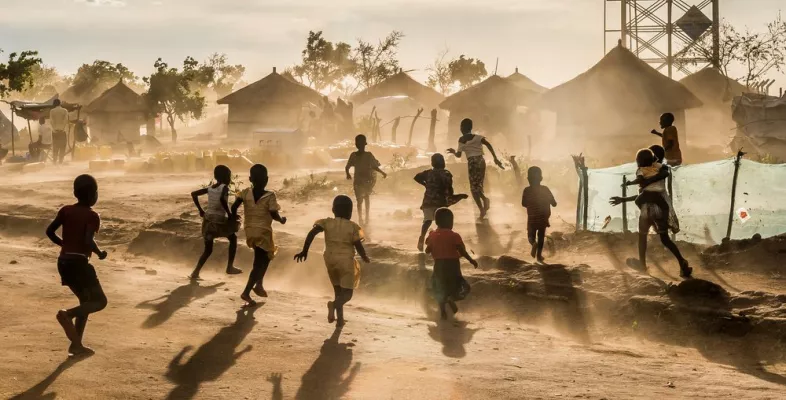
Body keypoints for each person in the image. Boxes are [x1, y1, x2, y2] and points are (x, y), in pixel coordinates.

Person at [45, 174, 108, 356]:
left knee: (85, 302)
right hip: (80, 264)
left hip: (63, 262)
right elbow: (88, 240)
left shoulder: (66, 210)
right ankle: (68, 314)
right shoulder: (92, 215)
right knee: (100, 302)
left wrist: (64, 245)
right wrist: (99, 253)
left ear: (75, 193)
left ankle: (76, 346)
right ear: (93, 195)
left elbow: (50, 231)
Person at [611, 149, 692, 278]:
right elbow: (647, 192)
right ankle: (682, 262)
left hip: (646, 210)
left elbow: (645, 193)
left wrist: (625, 198)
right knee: (665, 239)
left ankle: (643, 265)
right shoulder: (659, 172)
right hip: (659, 209)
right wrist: (623, 199)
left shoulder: (650, 172)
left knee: (642, 237)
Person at [294, 195, 370, 327]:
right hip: (345, 261)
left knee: (338, 291)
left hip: (329, 259)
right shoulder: (352, 227)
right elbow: (357, 244)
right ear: (350, 212)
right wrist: (364, 256)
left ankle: (339, 320)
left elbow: (312, 233)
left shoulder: (326, 222)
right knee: (347, 294)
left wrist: (304, 250)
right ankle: (333, 305)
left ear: (333, 210)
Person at [231, 164, 287, 306]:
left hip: (249, 230)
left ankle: (259, 284)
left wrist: (233, 217)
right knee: (260, 262)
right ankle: (247, 291)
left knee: (265, 257)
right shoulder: (270, 195)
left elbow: (234, 206)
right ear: (267, 179)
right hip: (263, 231)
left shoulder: (245, 193)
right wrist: (281, 220)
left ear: (250, 179)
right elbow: (274, 213)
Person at [190, 165, 242, 280]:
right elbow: (223, 200)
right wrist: (230, 214)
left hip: (208, 221)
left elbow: (193, 194)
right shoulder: (224, 188)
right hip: (219, 222)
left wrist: (200, 210)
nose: (230, 178)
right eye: (229, 176)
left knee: (208, 250)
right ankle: (230, 267)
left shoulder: (210, 188)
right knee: (233, 239)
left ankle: (195, 272)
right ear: (226, 177)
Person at [425, 208, 478, 321]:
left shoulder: (433, 235)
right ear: (450, 222)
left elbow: (427, 251)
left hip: (439, 265)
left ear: (436, 221)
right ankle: (450, 298)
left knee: (440, 288)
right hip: (453, 265)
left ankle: (443, 312)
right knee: (461, 287)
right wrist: (471, 260)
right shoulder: (454, 235)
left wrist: (430, 238)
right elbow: (462, 251)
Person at [447, 118, 505, 219]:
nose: (460, 129)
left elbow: (458, 155)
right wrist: (495, 158)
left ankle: (482, 208)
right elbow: (488, 145)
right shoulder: (478, 137)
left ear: (462, 128)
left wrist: (453, 152)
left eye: (461, 127)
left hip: (472, 163)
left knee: (474, 188)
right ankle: (484, 202)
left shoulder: (461, 139)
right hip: (481, 162)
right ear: (471, 128)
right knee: (478, 185)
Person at [414, 153, 468, 251]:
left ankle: (422, 237)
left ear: (432, 163)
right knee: (443, 223)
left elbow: (416, 177)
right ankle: (441, 242)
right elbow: (449, 189)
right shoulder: (446, 174)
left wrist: (425, 184)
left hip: (428, 201)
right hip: (440, 202)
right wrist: (456, 197)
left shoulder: (428, 173)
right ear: (443, 162)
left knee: (427, 221)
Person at [345, 134, 387, 225]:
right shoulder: (357, 155)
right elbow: (347, 167)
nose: (360, 145)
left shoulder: (366, 155)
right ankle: (362, 218)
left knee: (364, 199)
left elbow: (374, 167)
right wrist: (347, 174)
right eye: (359, 144)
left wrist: (382, 172)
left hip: (365, 182)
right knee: (362, 199)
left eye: (361, 144)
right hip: (361, 182)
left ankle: (365, 217)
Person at [521, 166, 557, 263]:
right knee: (541, 236)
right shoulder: (545, 189)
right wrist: (549, 201)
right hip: (543, 218)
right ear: (541, 178)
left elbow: (523, 203)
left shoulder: (526, 190)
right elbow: (554, 203)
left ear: (528, 179)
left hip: (532, 218)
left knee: (531, 235)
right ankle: (539, 256)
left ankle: (533, 243)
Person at [49, 99, 70, 164]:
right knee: (62, 147)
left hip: (55, 132)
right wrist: (63, 128)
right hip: (62, 131)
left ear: (54, 104)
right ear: (60, 103)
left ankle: (55, 161)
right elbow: (65, 120)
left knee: (55, 147)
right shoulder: (65, 110)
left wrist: (54, 128)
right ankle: (60, 161)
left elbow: (51, 121)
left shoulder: (52, 111)